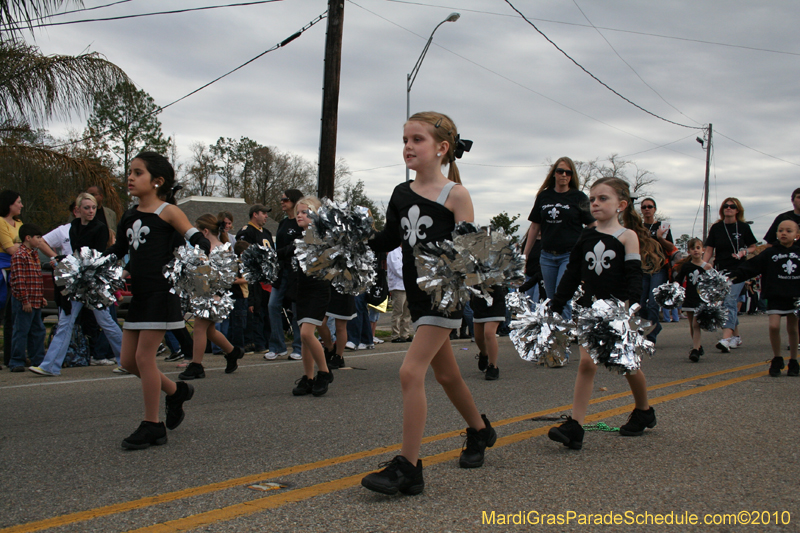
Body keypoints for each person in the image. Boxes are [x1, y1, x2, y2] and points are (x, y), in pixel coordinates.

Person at [362, 111, 496, 495]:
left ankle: (409, 467)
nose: (407, 146)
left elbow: (468, 252)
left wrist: (459, 275)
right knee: (447, 375)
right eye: (404, 139)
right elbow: (388, 238)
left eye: (417, 139)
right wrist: (349, 245)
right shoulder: (400, 193)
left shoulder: (456, 194)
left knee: (410, 371)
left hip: (443, 297)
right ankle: (481, 431)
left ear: (442, 148)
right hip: (415, 295)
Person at [103, 152, 208, 450]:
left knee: (143, 359)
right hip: (140, 296)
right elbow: (120, 249)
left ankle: (153, 425)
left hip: (161, 295)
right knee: (127, 361)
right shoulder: (129, 214)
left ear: (157, 181)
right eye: (130, 172)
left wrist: (205, 253)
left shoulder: (168, 211)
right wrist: (92, 265)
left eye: (138, 172)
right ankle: (176, 392)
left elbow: (193, 237)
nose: (131, 177)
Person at [547, 177, 657, 451]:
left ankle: (644, 410)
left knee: (626, 364)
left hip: (616, 310)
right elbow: (573, 272)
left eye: (602, 198)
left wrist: (628, 307)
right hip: (588, 309)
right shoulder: (586, 235)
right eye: (592, 199)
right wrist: (558, 301)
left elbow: (634, 273)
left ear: (620, 205)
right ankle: (575, 426)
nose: (595, 203)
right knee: (587, 363)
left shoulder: (627, 236)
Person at [29, 193, 124, 377]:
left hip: (93, 281)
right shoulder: (73, 227)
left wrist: (67, 261)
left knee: (105, 321)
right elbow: (75, 252)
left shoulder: (100, 228)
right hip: (78, 280)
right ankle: (50, 365)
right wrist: (63, 260)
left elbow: (93, 256)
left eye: (93, 208)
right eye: (87, 208)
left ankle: (127, 360)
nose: (90, 211)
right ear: (78, 209)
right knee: (66, 321)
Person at [522, 157, 595, 364]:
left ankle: (560, 350)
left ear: (572, 176)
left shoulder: (578, 197)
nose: (564, 175)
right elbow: (535, 227)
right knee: (552, 300)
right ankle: (553, 343)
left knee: (563, 299)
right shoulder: (544, 197)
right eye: (561, 171)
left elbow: (591, 225)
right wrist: (525, 255)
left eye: (568, 172)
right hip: (547, 255)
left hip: (569, 255)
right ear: (554, 173)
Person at [278, 196, 334, 397]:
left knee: (306, 334)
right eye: (298, 212)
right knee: (304, 337)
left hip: (319, 291)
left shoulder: (323, 236)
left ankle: (325, 373)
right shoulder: (300, 240)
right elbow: (283, 253)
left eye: (305, 212)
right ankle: (308, 377)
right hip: (301, 291)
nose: (300, 215)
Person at [177, 215, 243, 380]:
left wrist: (217, 296)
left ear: (205, 231)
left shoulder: (222, 249)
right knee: (210, 331)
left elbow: (228, 276)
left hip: (215, 299)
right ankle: (232, 352)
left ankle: (196, 365)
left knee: (199, 328)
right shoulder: (203, 250)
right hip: (203, 296)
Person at [730, 219, 800, 377]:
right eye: (781, 230)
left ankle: (794, 360)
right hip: (775, 294)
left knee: (793, 329)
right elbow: (752, 266)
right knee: (774, 326)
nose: (784, 233)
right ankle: (777, 357)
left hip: (794, 295)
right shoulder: (770, 253)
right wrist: (735, 274)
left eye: (788, 231)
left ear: (797, 235)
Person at [703, 197, 757, 353]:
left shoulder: (744, 227)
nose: (728, 208)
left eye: (732, 206)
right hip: (721, 269)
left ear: (737, 210)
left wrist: (744, 252)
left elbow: (753, 247)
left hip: (739, 270)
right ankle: (736, 336)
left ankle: (725, 339)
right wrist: (702, 266)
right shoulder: (716, 228)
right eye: (726, 206)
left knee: (730, 300)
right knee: (727, 303)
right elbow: (709, 249)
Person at [266, 190, 303, 360]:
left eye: (285, 199)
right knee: (273, 305)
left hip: (296, 272)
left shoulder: (301, 222)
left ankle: (299, 347)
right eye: (281, 199)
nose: (282, 202)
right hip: (280, 272)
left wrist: (277, 254)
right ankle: (277, 346)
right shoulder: (282, 223)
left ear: (294, 201)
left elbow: (298, 246)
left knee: (296, 311)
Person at [7, 224, 47, 372]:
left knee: (38, 331)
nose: (40, 240)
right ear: (28, 238)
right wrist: (25, 300)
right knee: (21, 331)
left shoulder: (33, 255)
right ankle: (16, 360)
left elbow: (37, 279)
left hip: (35, 300)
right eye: (38, 237)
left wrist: (41, 296)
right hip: (24, 302)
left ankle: (38, 359)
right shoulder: (20, 255)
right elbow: (18, 280)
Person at [236, 204, 273, 354]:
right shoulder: (247, 232)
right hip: (255, 280)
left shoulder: (267, 233)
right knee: (256, 312)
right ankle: (257, 343)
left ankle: (269, 341)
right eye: (263, 213)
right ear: (254, 214)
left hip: (268, 278)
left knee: (268, 312)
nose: (266, 216)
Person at [673, 238, 712, 362]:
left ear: (703, 250)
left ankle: (695, 350)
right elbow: (679, 280)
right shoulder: (686, 266)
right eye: (693, 248)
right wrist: (672, 288)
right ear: (689, 251)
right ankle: (698, 346)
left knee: (696, 324)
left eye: (698, 248)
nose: (696, 250)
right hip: (689, 297)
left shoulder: (707, 267)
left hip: (701, 299)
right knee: (692, 324)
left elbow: (712, 284)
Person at [638, 198, 671, 344]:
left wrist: (660, 238)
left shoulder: (661, 226)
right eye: (644, 207)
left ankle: (651, 335)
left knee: (653, 302)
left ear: (654, 209)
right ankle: (654, 325)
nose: (647, 209)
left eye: (649, 207)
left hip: (659, 268)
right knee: (639, 303)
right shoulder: (638, 227)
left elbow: (671, 247)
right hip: (643, 268)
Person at [472, 286, 507, 380]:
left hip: (496, 300)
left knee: (489, 333)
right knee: (478, 337)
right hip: (479, 298)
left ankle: (493, 366)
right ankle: (484, 354)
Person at [387, 247, 412, 343]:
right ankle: (395, 335)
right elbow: (397, 269)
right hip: (398, 286)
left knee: (407, 312)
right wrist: (410, 275)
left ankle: (404, 334)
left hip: (407, 286)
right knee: (398, 311)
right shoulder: (393, 252)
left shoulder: (407, 251)